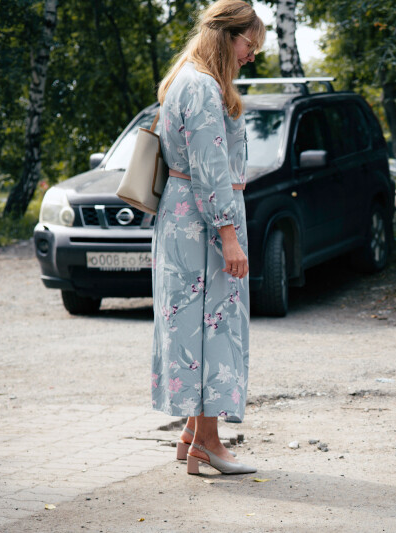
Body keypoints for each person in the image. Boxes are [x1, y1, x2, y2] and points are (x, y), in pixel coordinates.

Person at [151, 0, 264, 475]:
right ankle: (209, 443)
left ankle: (193, 435)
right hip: (204, 228)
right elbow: (211, 168)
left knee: (193, 327)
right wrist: (229, 236)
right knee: (211, 328)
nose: (252, 55)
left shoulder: (187, 78)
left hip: (186, 219)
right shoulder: (200, 85)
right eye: (249, 44)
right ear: (226, 36)